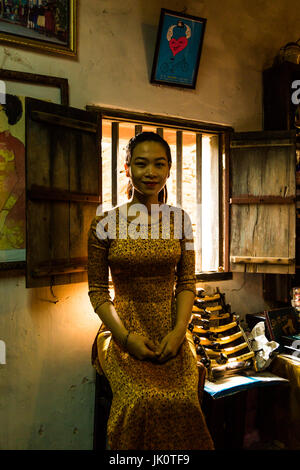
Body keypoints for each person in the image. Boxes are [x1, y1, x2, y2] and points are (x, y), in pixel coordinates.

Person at [87, 131, 214, 450]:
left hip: (171, 329)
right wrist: (126, 338)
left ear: (169, 169)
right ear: (127, 168)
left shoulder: (180, 221)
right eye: (141, 164)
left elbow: (186, 283)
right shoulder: (105, 223)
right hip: (121, 331)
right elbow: (98, 291)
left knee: (184, 402)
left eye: (159, 164)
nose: (151, 172)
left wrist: (178, 332)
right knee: (139, 402)